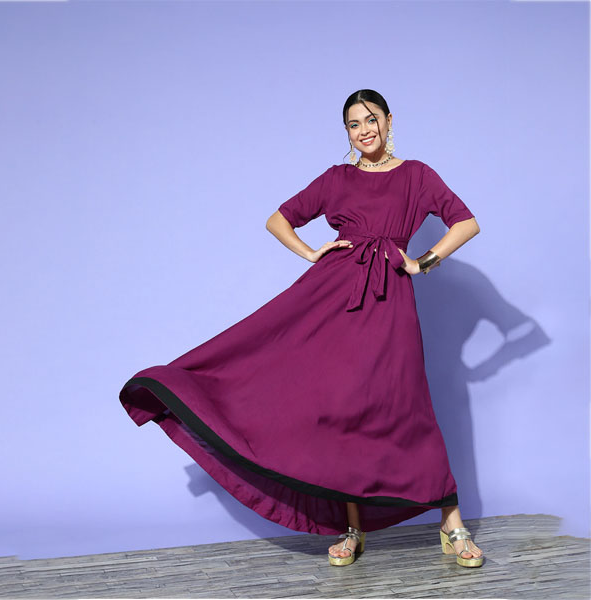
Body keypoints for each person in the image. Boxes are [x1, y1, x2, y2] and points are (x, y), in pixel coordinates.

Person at [119, 88, 484, 570]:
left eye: (371, 119)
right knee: (339, 409)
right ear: (347, 131)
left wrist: (421, 263)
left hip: (390, 300)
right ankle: (352, 528)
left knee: (407, 405)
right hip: (331, 300)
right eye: (354, 124)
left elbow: (466, 223)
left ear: (389, 120)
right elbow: (278, 220)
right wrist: (312, 254)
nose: (364, 130)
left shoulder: (417, 175)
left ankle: (451, 522)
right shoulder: (336, 178)